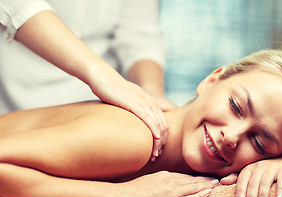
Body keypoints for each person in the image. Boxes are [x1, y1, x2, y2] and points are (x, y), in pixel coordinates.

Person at [0, 49, 282, 197]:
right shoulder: (138, 136)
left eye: (258, 142)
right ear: (212, 80)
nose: (231, 136)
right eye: (236, 106)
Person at [0, 0, 174, 161]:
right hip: (11, 99)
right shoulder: (132, 138)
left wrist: (150, 94)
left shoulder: (131, 137)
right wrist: (103, 76)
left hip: (101, 110)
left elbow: (138, 33)